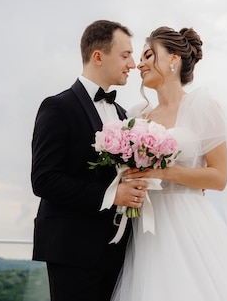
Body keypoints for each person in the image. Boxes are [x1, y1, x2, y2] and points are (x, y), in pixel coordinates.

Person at [111, 26, 227, 301]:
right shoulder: (136, 115)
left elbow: (219, 177)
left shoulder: (203, 107)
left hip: (188, 224)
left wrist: (165, 171)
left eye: (149, 55)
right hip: (145, 230)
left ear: (174, 59)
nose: (140, 64)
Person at [31, 20, 150, 301]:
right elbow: (44, 180)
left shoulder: (123, 115)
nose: (132, 64)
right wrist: (112, 195)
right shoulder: (57, 107)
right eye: (125, 55)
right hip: (72, 250)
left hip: (118, 252)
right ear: (98, 56)